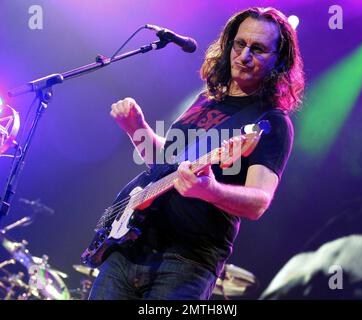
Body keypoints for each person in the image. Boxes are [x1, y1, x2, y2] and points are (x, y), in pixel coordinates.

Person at [89, 6, 305, 300]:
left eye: (258, 49)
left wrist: (211, 190)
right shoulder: (205, 100)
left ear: (279, 60)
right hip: (128, 246)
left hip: (185, 262)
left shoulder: (271, 122)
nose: (244, 55)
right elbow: (162, 165)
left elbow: (258, 202)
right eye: (239, 44)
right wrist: (135, 127)